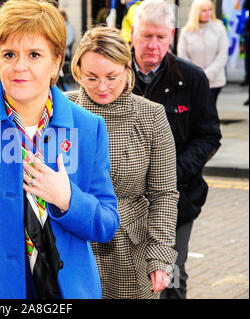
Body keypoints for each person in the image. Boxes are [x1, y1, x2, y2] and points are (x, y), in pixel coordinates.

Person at [0, 0, 119, 299]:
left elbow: (106, 224)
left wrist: (67, 199)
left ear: (55, 62)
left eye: (35, 55)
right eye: (10, 54)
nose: (20, 66)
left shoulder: (88, 128)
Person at [66, 26, 178, 299]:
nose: (102, 87)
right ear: (78, 70)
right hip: (72, 244)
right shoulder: (61, 110)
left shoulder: (151, 116)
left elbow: (164, 194)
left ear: (127, 69)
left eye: (112, 77)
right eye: (91, 78)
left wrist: (160, 257)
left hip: (130, 250)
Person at [129, 0, 222, 299]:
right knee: (126, 277)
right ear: (132, 33)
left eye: (160, 37)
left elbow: (209, 136)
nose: (153, 45)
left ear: (171, 36)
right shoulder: (114, 76)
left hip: (177, 199)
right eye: (146, 36)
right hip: (123, 198)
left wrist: (170, 172)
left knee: (171, 277)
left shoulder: (192, 78)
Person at [177, 0, 228, 106]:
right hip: (193, 81)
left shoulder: (219, 28)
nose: (208, 13)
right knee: (196, 113)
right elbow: (182, 56)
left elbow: (222, 55)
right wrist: (197, 75)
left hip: (214, 81)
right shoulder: (186, 31)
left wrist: (207, 74)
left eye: (210, 10)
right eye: (204, 10)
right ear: (196, 12)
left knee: (210, 112)